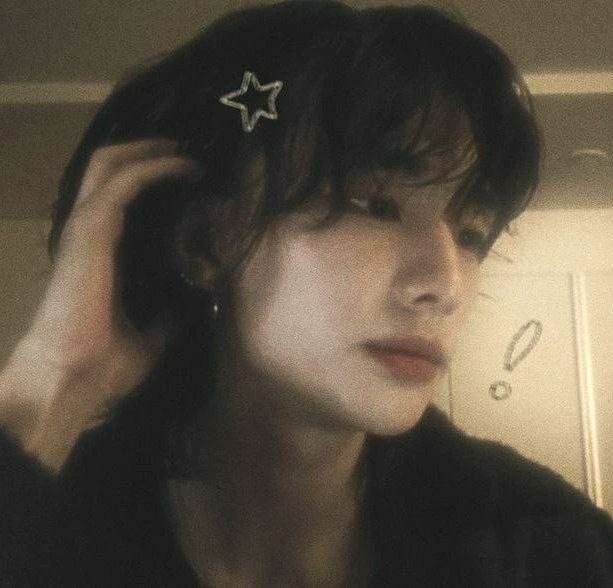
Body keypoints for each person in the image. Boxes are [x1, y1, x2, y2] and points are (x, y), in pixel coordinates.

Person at [1, 1, 612, 586]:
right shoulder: (45, 526)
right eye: (376, 204)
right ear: (205, 244)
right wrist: (51, 382)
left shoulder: (552, 549)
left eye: (472, 234)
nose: (446, 285)